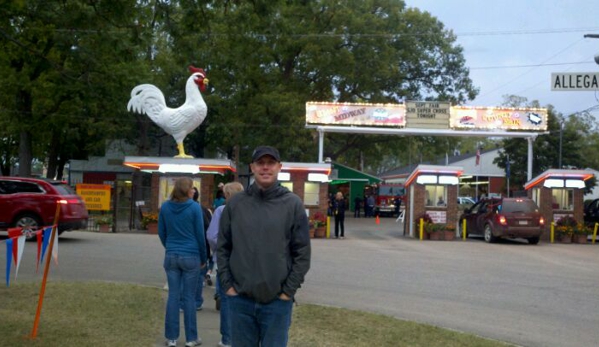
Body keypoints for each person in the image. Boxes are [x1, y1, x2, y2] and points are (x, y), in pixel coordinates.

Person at [217, 145, 311, 347]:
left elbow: (302, 254)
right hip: (240, 301)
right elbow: (223, 247)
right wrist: (228, 286)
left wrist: (287, 292)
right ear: (252, 167)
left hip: (277, 303)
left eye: (270, 163)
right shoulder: (236, 204)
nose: (265, 168)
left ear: (279, 167)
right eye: (260, 163)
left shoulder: (292, 204)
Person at [158, 177, 207, 347]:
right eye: (191, 188)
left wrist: (169, 247)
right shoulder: (194, 208)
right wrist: (203, 257)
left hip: (172, 254)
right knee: (189, 298)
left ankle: (171, 338)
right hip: (191, 255)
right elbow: (200, 235)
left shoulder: (165, 207)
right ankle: (191, 338)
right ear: (187, 190)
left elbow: (161, 232)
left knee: (173, 296)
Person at [207, 182, 244, 347]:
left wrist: (217, 251)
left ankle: (227, 339)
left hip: (225, 261)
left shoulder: (221, 211)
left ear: (228, 195)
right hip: (244, 261)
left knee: (227, 300)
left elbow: (212, 236)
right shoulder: (249, 211)